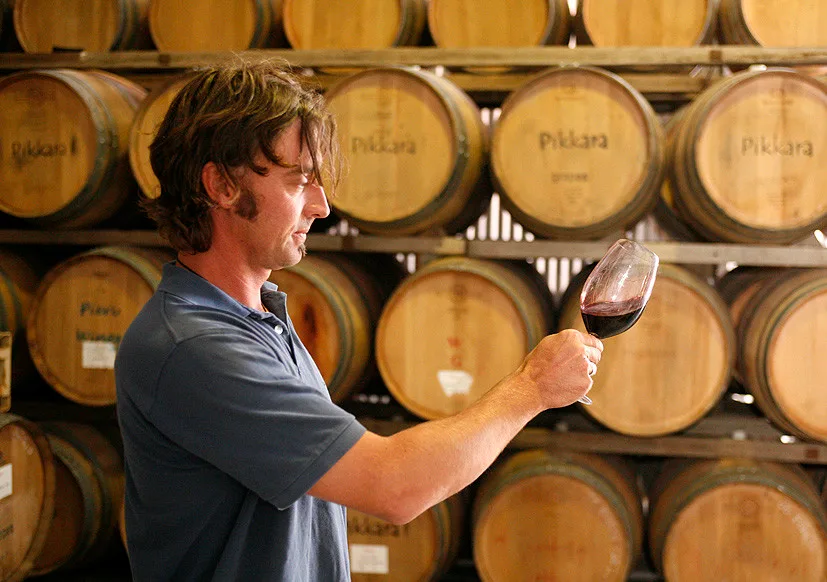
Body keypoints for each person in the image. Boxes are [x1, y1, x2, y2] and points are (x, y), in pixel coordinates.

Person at [115, 59, 603, 582]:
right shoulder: (193, 347)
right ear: (222, 186)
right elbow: (392, 486)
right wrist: (532, 387)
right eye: (298, 181)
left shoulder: (259, 317)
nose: (321, 206)